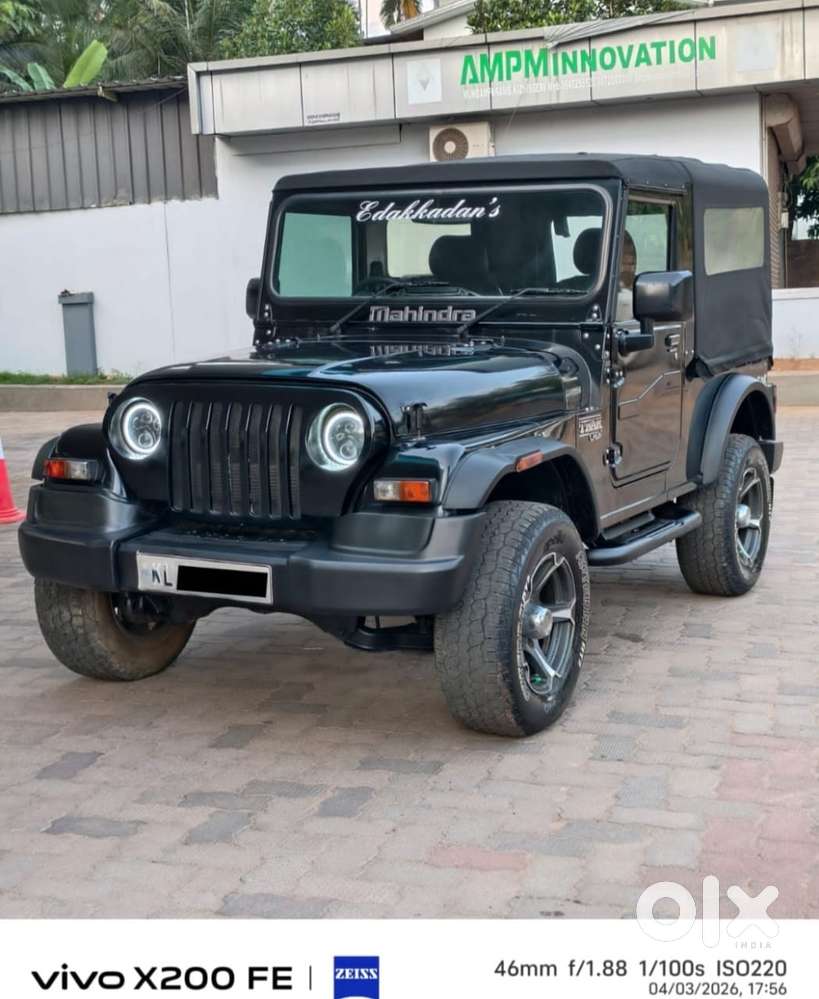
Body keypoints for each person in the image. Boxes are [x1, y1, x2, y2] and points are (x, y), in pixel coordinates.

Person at [616, 230, 637, 322]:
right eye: (623, 253)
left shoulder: (641, 288)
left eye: (631, 253)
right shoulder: (594, 291)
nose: (628, 257)